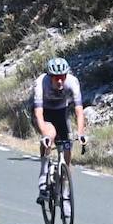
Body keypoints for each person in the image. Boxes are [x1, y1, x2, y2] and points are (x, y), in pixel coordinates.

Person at [32, 57, 86, 204]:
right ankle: (44, 173)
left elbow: (79, 111)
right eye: (56, 78)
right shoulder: (40, 83)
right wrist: (45, 134)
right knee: (50, 135)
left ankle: (65, 189)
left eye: (62, 77)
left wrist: (80, 132)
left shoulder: (73, 82)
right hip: (44, 115)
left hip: (61, 114)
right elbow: (38, 113)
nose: (60, 81)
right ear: (50, 77)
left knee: (68, 146)